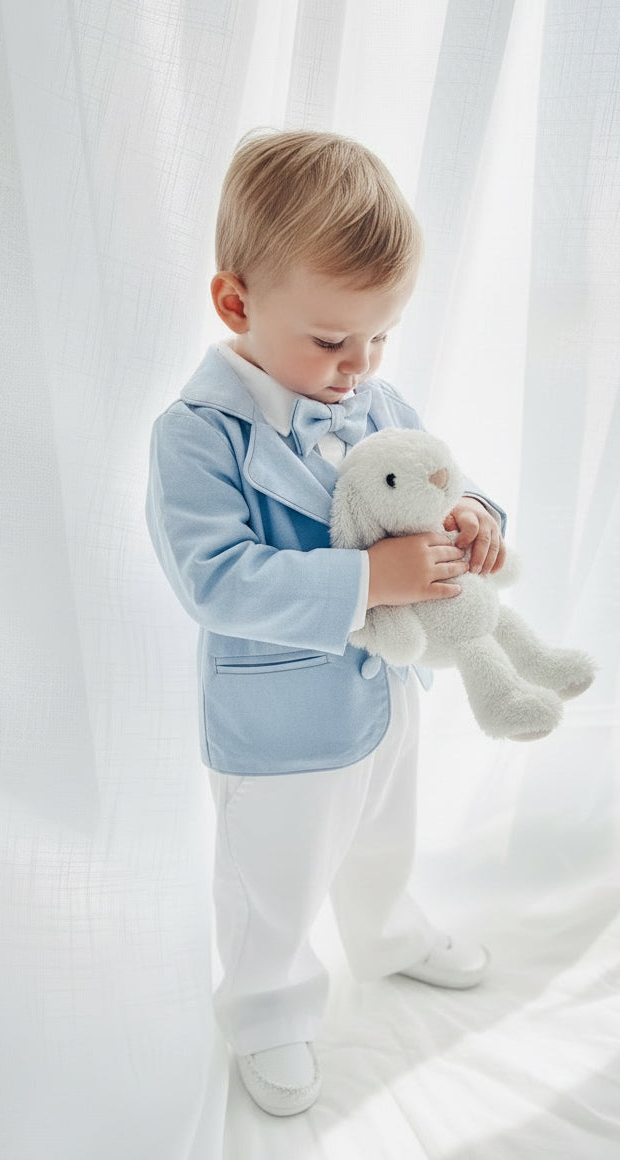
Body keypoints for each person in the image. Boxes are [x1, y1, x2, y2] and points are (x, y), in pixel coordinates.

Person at [145, 130, 508, 1117]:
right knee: (276, 877)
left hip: (388, 687)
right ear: (236, 304)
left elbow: (436, 475)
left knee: (385, 830)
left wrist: (473, 517)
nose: (359, 366)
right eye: (333, 341)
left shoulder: (372, 393)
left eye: (380, 338)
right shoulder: (197, 434)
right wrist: (368, 579)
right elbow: (216, 579)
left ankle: (389, 931)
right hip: (281, 719)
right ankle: (267, 1010)